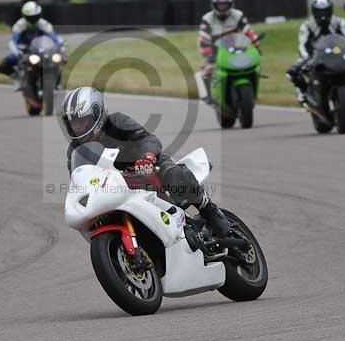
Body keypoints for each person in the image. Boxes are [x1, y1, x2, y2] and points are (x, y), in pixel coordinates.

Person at [59, 86, 230, 237]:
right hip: (118, 186)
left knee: (174, 175)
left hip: (148, 166)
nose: (78, 128)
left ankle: (210, 212)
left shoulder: (117, 121)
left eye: (82, 121)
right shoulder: (75, 150)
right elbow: (80, 181)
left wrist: (147, 157)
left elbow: (148, 138)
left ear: (97, 114)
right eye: (74, 123)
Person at [286, 0, 345, 106]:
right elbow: (302, 44)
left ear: (331, 10)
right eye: (319, 12)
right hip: (313, 55)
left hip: (337, 53)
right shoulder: (306, 25)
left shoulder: (340, 22)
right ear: (314, 11)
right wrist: (305, 57)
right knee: (292, 73)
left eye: (326, 11)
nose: (323, 15)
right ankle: (303, 93)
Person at [197, 0, 260, 103]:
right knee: (207, 70)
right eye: (220, 5)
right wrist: (208, 53)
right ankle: (209, 96)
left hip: (238, 48)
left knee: (254, 65)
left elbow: (248, 32)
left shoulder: (238, 15)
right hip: (216, 50)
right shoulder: (207, 19)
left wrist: (256, 45)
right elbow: (203, 37)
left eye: (225, 5)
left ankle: (253, 91)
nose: (222, 7)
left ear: (230, 4)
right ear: (214, 5)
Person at [0, 1, 64, 90]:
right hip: (25, 50)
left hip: (42, 50)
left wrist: (60, 48)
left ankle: (56, 83)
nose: (33, 19)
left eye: (35, 17)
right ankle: (18, 79)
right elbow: (14, 41)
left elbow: (55, 38)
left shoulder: (44, 24)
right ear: (25, 16)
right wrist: (17, 51)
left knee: (56, 61)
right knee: (3, 66)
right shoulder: (19, 25)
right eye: (31, 17)